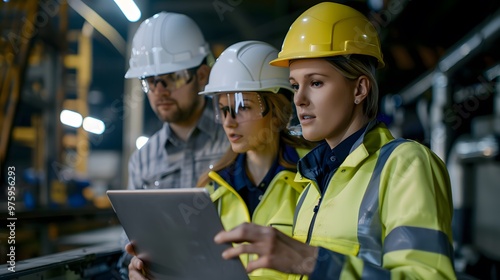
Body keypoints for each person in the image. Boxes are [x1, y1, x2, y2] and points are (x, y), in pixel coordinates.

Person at [213, 2, 456, 279]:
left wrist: (315, 262)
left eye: (316, 82)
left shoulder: (405, 165)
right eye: (294, 85)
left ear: (360, 88)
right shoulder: (311, 182)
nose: (299, 99)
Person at [126, 40, 317, 280]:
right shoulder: (212, 188)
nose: (229, 121)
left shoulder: (315, 178)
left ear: (279, 112)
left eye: (242, 107)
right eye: (224, 109)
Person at [118, 11, 229, 277]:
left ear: (202, 75)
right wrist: (133, 269)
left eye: (173, 77)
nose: (160, 90)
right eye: (150, 81)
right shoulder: (143, 161)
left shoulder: (234, 140)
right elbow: (131, 245)